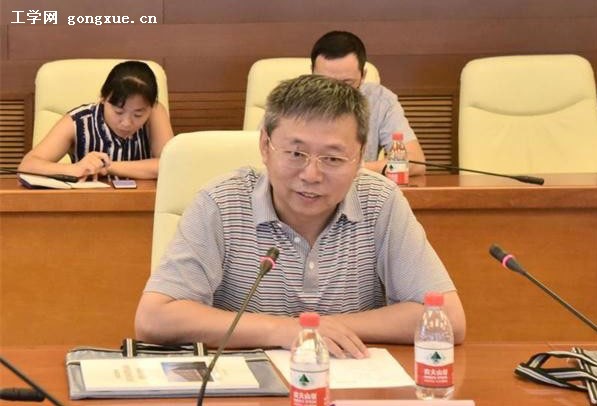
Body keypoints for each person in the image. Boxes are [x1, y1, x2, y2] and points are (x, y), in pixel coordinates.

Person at [135, 75, 465, 359]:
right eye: (295, 153)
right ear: (265, 146)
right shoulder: (221, 203)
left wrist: (314, 329)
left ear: (359, 156)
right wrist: (282, 330)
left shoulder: (380, 201)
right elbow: (154, 318)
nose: (311, 175)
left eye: (333, 158)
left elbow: (448, 318)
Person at [18, 60, 174, 180]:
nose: (127, 122)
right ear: (103, 98)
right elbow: (28, 165)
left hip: (143, 203)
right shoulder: (78, 121)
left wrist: (107, 166)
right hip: (88, 203)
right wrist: (76, 168)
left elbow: (168, 165)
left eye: (138, 115)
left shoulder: (155, 112)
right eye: (118, 112)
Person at [311, 30, 426, 176]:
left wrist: (357, 169)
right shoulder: (290, 102)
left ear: (363, 76)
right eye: (326, 83)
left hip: (361, 186)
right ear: (312, 74)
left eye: (347, 83)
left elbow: (416, 161)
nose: (336, 92)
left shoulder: (380, 101)